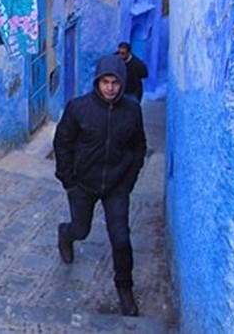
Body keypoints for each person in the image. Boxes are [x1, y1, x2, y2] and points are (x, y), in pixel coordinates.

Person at [53, 55, 147, 317]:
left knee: (121, 238)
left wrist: (128, 180)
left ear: (121, 83)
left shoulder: (132, 111)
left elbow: (139, 146)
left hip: (117, 186)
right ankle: (66, 234)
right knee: (81, 230)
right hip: (82, 184)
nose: (110, 88)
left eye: (115, 82)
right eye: (105, 82)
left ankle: (124, 289)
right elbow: (63, 143)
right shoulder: (78, 108)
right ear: (97, 81)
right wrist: (68, 180)